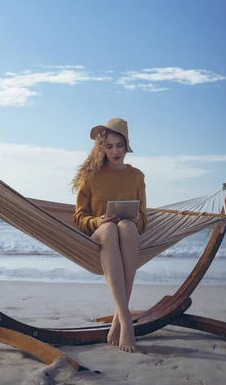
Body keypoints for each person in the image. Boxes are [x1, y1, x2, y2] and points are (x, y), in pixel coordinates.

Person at [72, 118, 147, 353]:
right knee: (110, 227)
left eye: (119, 145)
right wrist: (98, 220)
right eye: (109, 146)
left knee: (125, 227)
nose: (115, 151)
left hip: (125, 236)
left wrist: (136, 221)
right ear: (101, 148)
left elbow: (144, 218)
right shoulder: (91, 175)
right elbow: (79, 217)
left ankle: (117, 319)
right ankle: (126, 321)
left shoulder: (136, 176)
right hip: (98, 236)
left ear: (127, 146)